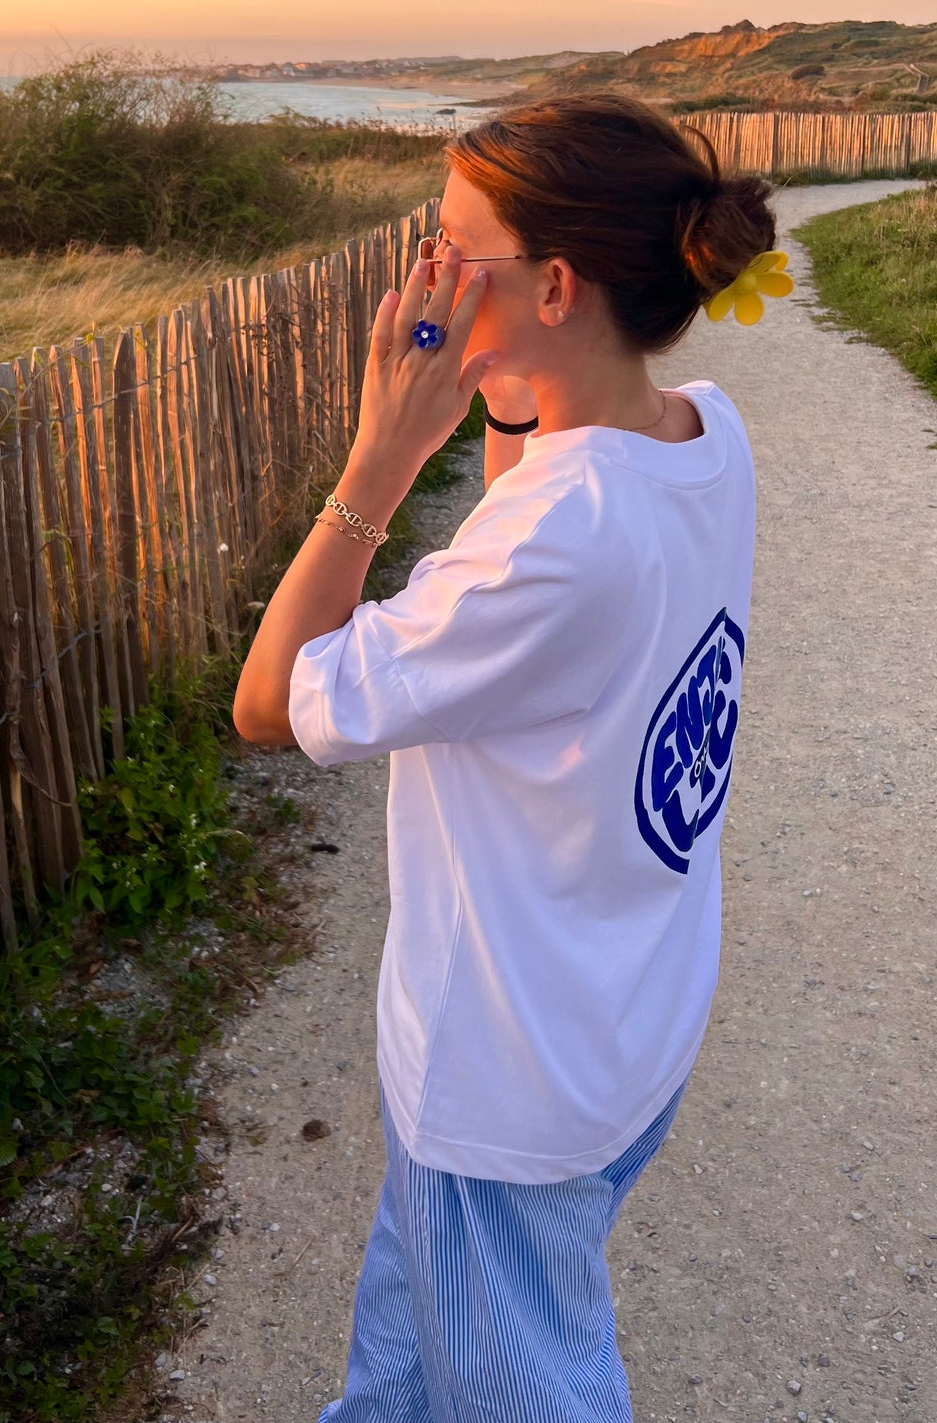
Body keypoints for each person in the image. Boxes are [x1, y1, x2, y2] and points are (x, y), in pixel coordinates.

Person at [233, 92, 784, 1421]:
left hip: (507, 1080)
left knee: (523, 1389)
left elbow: (270, 702)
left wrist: (375, 463)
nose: (420, 274)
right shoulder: (703, 437)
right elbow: (526, 513)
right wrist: (493, 379)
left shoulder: (553, 546)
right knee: (412, 1355)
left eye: (448, 244)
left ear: (551, 283)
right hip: (620, 1020)